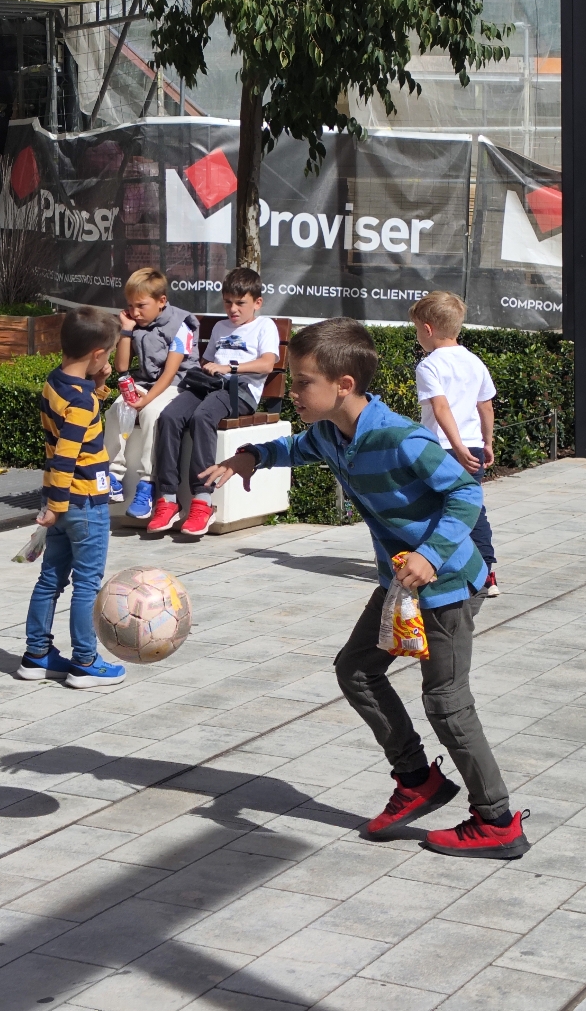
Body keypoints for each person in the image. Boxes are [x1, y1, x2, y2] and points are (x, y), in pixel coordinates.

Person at [200, 318, 529, 859]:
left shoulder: (401, 438)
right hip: (401, 584)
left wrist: (429, 554)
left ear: (343, 385)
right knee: (356, 670)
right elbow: (296, 447)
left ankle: (497, 821)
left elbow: (467, 495)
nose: (293, 391)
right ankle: (417, 780)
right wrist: (251, 457)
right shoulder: (333, 433)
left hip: (445, 583)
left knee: (446, 702)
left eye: (303, 382)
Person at [16, 305, 127, 689]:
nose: (108, 359)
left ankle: (37, 655)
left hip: (61, 503)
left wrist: (98, 383)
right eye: (107, 354)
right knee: (87, 586)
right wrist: (56, 507)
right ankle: (85, 662)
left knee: (50, 580)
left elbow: (75, 421)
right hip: (84, 503)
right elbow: (66, 456)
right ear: (97, 354)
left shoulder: (56, 382)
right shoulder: (81, 401)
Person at [147, 267, 280, 537]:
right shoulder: (220, 327)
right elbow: (207, 360)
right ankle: (168, 498)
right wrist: (207, 369)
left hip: (239, 391)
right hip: (209, 385)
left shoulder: (264, 326)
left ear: (257, 303)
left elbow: (267, 364)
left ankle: (202, 501)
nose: (233, 309)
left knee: (202, 417)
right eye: (228, 302)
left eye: (240, 303)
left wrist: (230, 368)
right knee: (170, 417)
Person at [410, 291, 500, 596]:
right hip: (473, 446)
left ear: (428, 329)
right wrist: (486, 443)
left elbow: (441, 408)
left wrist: (456, 446)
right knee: (471, 508)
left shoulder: (429, 366)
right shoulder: (474, 361)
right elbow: (486, 407)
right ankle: (486, 572)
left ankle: (438, 566)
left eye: (417, 329)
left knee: (435, 508)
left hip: (438, 448)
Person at [113, 267, 199, 520]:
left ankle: (147, 484)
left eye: (141, 305)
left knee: (151, 413)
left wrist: (146, 400)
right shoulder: (134, 324)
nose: (135, 312)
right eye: (130, 306)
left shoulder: (182, 325)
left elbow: (170, 373)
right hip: (147, 383)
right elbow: (121, 366)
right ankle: (113, 476)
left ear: (162, 301)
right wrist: (126, 331)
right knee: (117, 408)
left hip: (179, 384)